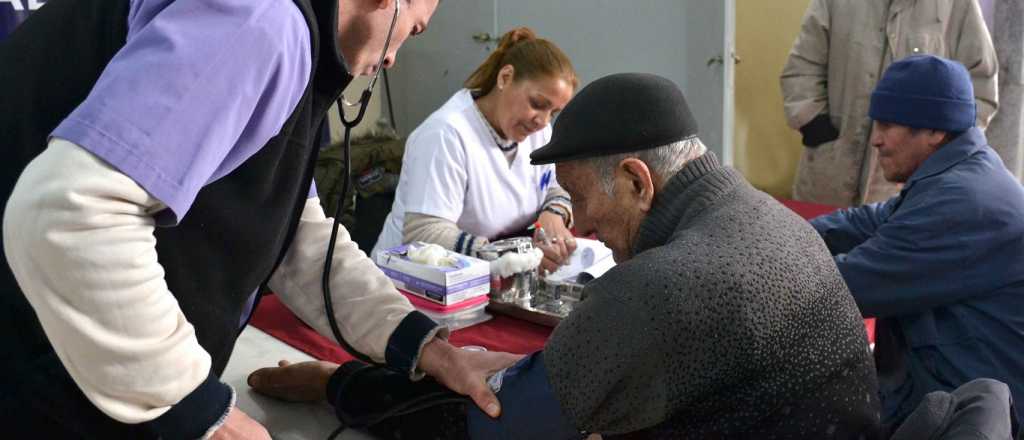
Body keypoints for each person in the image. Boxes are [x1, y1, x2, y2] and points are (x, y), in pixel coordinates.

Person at [249, 73, 881, 439]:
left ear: (638, 182)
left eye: (576, 198)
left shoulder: (668, 284)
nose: (579, 224)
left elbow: (493, 429)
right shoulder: (761, 214)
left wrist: (337, 383)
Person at [0, 0, 522, 438]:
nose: (392, 58)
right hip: (43, 370)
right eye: (412, 29)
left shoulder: (294, 47)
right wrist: (203, 413)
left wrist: (427, 348)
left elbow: (297, 238)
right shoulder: (262, 19)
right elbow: (71, 214)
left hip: (88, 368)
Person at [810, 54, 1024, 431]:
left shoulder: (963, 201)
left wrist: (754, 269)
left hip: (973, 420)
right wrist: (775, 231)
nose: (875, 140)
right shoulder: (961, 173)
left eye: (888, 125)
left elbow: (845, 287)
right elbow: (861, 222)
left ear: (935, 132)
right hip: (953, 389)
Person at [372, 27, 578, 273]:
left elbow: (558, 185)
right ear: (505, 77)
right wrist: (509, 253)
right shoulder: (446, 135)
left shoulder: (538, 130)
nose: (544, 121)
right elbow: (423, 232)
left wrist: (553, 215)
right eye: (537, 104)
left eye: (553, 112)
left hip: (483, 275)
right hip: (413, 282)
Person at [781, 0, 999, 207]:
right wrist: (812, 121)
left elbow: (980, 86)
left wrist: (944, 150)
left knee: (893, 240)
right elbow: (802, 66)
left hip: (909, 187)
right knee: (813, 240)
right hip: (829, 171)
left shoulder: (957, 6)